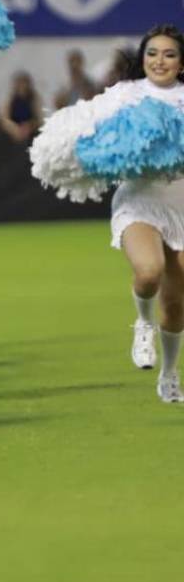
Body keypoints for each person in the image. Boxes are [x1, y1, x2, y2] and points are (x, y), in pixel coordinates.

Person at [106, 25, 184, 402]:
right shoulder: (125, 95)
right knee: (148, 270)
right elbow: (92, 133)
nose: (160, 61)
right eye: (152, 53)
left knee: (177, 305)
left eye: (169, 54)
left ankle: (169, 374)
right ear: (142, 58)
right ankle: (142, 323)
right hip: (138, 199)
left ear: (181, 62)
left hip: (182, 203)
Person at [0, 71, 43, 145]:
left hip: (30, 130)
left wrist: (30, 126)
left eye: (24, 83)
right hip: (14, 129)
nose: (22, 86)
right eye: (19, 83)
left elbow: (39, 118)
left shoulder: (34, 98)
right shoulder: (11, 98)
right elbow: (5, 117)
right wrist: (14, 128)